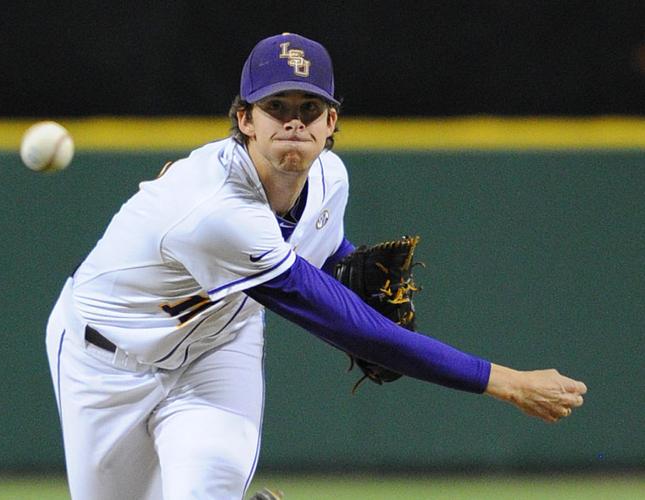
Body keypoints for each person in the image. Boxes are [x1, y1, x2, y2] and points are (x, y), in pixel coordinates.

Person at [45, 32, 587, 500]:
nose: (293, 122)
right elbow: (344, 322)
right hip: (106, 360)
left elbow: (326, 252)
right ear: (245, 121)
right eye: (276, 106)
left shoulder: (330, 180)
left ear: (331, 121)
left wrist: (349, 262)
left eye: (309, 109)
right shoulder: (216, 209)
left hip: (214, 351)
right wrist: (506, 382)